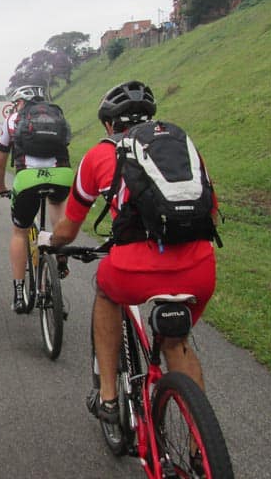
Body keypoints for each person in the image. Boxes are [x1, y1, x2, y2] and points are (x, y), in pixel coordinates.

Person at [49, 80, 219, 424]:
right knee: (175, 342)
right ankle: (200, 447)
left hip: (134, 269)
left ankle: (108, 397)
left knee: (106, 292)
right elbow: (211, 213)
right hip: (199, 268)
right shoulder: (182, 147)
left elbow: (69, 228)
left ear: (108, 124)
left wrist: (52, 243)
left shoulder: (98, 156)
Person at [0, 85, 74, 313]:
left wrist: (0, 186)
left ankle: (19, 294)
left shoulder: (12, 119)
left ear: (19, 102)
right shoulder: (56, 116)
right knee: (56, 204)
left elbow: (0, 163)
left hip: (27, 178)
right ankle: (60, 255)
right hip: (61, 176)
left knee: (20, 232)